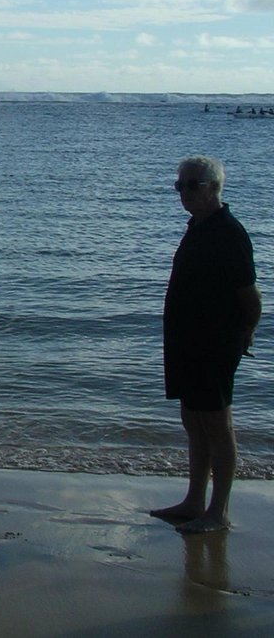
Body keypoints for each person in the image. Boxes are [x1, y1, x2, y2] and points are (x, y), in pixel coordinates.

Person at [151, 155, 261, 533]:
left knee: (217, 424)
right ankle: (194, 501)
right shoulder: (197, 227)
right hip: (186, 341)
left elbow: (250, 298)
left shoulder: (229, 233)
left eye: (192, 185)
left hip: (215, 344)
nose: (183, 193)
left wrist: (243, 335)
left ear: (214, 188)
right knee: (193, 421)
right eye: (179, 185)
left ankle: (219, 512)